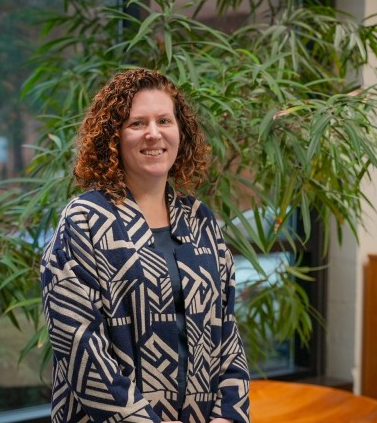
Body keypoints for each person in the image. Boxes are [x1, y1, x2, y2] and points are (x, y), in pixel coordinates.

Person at [40, 68, 250, 422]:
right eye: (137, 123)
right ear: (114, 136)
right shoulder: (85, 220)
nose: (153, 133)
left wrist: (228, 414)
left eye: (164, 120)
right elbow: (79, 347)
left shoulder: (200, 220)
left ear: (180, 132)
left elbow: (226, 330)